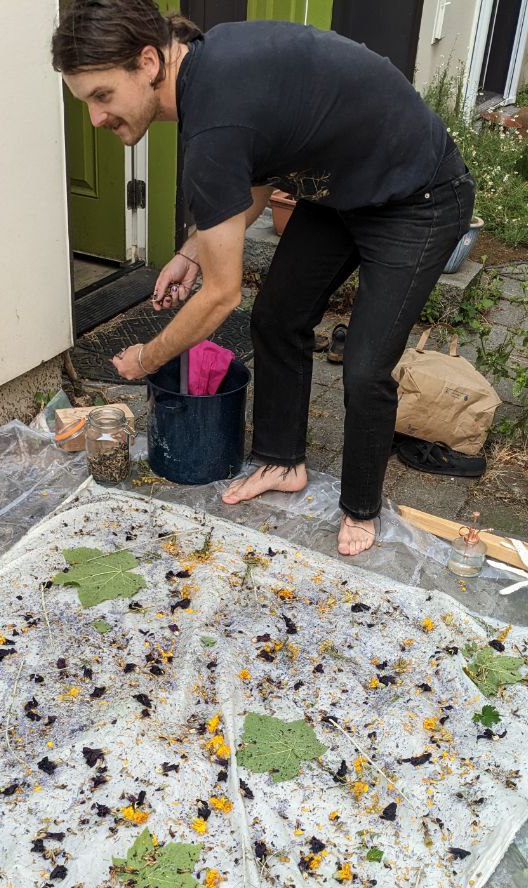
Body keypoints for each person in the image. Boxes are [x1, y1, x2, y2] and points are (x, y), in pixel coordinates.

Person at [53, 3, 475, 556]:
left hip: (418, 196)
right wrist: (192, 252)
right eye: (85, 102)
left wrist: (148, 358)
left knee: (366, 364)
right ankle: (283, 462)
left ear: (149, 62)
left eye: (102, 95)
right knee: (278, 317)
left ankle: (361, 506)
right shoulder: (206, 74)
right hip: (342, 187)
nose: (95, 119)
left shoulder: (214, 125)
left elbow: (222, 296)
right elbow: (254, 172)